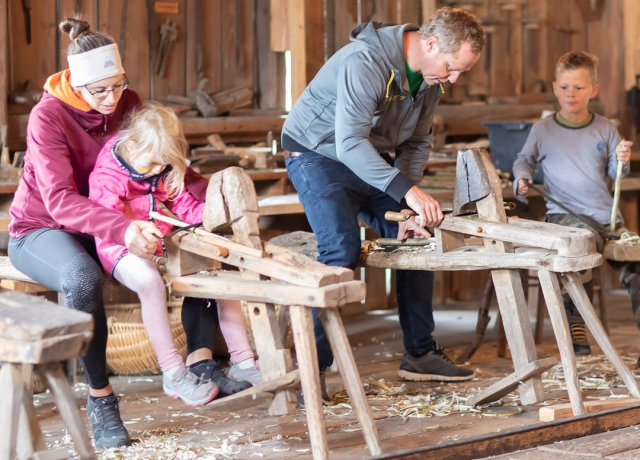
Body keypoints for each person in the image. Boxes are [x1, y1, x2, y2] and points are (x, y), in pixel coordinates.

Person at [6, 17, 252, 448]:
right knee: (81, 278)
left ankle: (200, 363)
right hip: (43, 227)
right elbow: (62, 200)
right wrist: (123, 228)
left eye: (118, 85)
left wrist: (211, 198)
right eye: (99, 90)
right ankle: (101, 398)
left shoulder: (127, 102)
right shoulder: (47, 117)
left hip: (106, 220)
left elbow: (164, 160)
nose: (112, 98)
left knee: (196, 245)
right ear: (75, 84)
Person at [281, 7, 483, 400]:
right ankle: (314, 368)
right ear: (430, 44)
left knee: (418, 238)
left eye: (462, 72)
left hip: (368, 160)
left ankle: (420, 355)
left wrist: (408, 210)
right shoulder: (365, 61)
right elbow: (349, 143)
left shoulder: (429, 76)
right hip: (317, 156)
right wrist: (408, 191)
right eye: (451, 67)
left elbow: (417, 143)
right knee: (340, 248)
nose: (454, 79)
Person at [88, 102, 262, 406]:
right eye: (152, 164)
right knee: (149, 282)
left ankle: (243, 361)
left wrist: (206, 221)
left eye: (164, 164)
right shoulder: (108, 175)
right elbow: (107, 223)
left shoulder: (161, 165)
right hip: (117, 243)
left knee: (221, 272)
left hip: (156, 240)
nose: (158, 170)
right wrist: (135, 231)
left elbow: (183, 204)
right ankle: (173, 372)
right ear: (132, 145)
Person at [514, 51, 637, 356]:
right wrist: (522, 178)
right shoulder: (543, 129)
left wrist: (622, 160)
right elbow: (523, 160)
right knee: (582, 242)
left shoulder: (605, 128)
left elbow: (615, 173)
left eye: (579, 87)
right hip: (564, 216)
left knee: (636, 261)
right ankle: (576, 322)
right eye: (565, 87)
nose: (571, 94)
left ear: (593, 90)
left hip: (606, 218)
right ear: (555, 88)